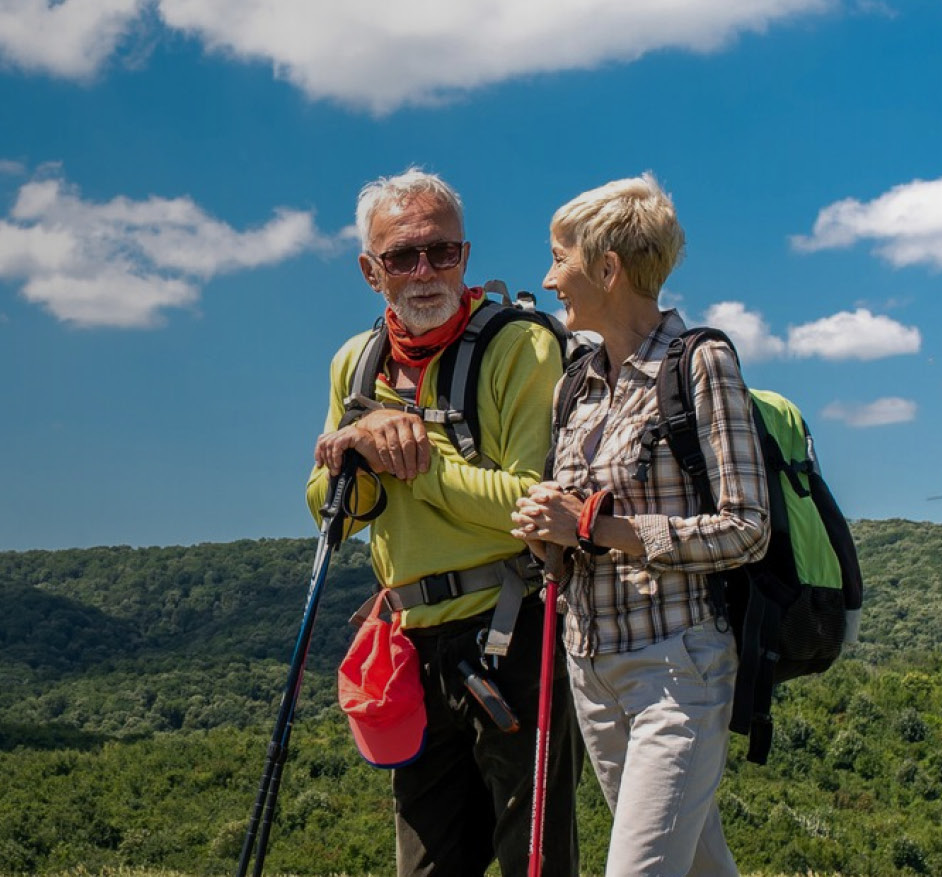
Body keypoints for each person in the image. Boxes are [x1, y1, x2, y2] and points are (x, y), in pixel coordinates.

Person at [309, 168, 575, 877]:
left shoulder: (522, 345)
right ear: (371, 271)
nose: (425, 271)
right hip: (410, 642)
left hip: (516, 631)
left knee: (535, 862)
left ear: (465, 255)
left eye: (442, 252)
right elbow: (327, 511)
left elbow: (530, 506)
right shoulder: (355, 363)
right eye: (402, 256)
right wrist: (362, 452)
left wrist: (410, 458)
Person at [510, 174, 771, 877]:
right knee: (698, 867)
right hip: (590, 668)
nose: (549, 279)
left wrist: (597, 527)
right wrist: (549, 534)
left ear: (607, 269)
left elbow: (747, 527)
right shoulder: (575, 385)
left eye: (559, 258)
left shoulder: (700, 363)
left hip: (676, 667)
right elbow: (575, 536)